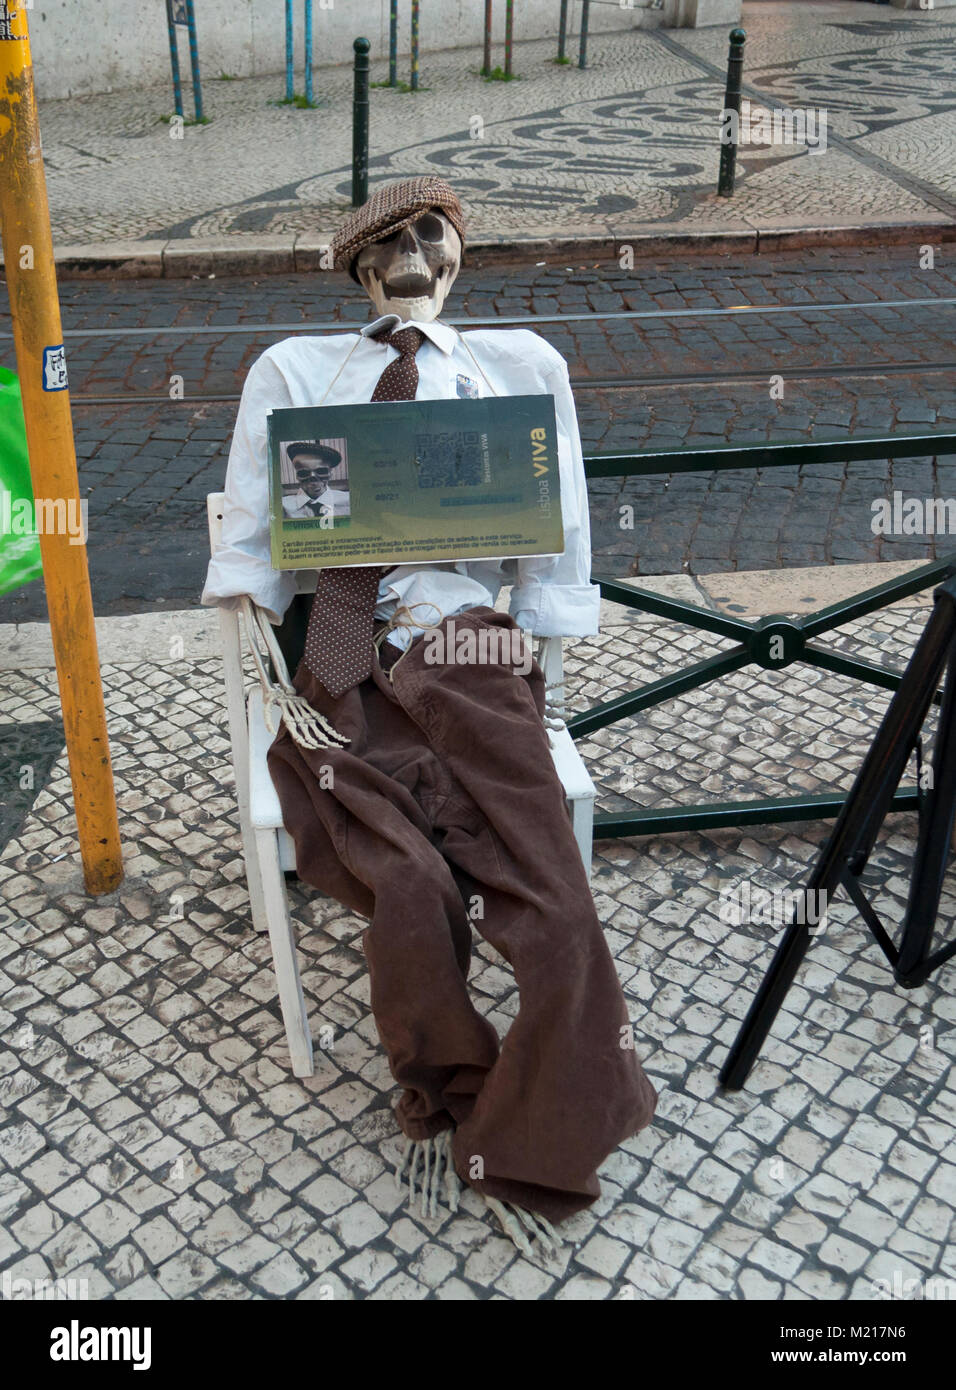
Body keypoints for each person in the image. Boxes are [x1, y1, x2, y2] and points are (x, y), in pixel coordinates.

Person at [202, 176, 656, 1253]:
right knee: (405, 879)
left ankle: (539, 1130)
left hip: (469, 642)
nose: (411, 254)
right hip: (344, 651)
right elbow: (255, 537)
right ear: (360, 267)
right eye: (389, 241)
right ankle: (444, 1085)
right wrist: (271, 669)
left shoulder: (519, 366)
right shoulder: (297, 371)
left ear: (456, 253)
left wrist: (539, 645)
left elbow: (562, 527)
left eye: (431, 234)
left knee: (552, 896)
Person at [281, 442, 351, 520]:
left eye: (321, 471)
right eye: (304, 473)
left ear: (331, 474)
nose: (313, 478)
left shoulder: (349, 501)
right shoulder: (282, 507)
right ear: (297, 476)